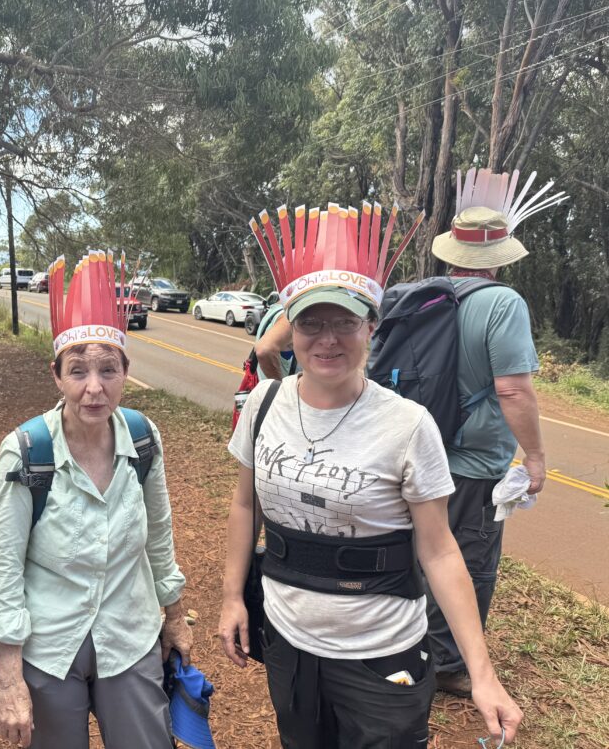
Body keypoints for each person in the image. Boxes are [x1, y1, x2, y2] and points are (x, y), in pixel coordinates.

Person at [221, 201, 522, 747]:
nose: (328, 338)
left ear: (371, 326)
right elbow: (246, 505)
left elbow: (439, 550)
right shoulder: (264, 404)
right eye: (312, 322)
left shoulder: (408, 425)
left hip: (382, 657)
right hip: (288, 643)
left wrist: (482, 673)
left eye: (346, 321)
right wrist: (231, 599)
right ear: (292, 327)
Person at [0, 252, 192, 749]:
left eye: (108, 369)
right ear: (56, 375)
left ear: (126, 371)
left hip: (130, 633)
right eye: (78, 371)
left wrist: (176, 616)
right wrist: (9, 679)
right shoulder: (27, 450)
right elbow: (3, 567)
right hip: (50, 645)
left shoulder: (143, 438)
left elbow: (159, 534)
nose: (94, 388)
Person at [424, 168, 566, 698]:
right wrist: (535, 458)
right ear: (500, 256)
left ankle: (413, 642)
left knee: (420, 548)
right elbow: (513, 391)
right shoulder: (503, 304)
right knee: (471, 557)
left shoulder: (421, 295)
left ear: (451, 251)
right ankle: (448, 663)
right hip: (473, 463)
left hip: (418, 453)